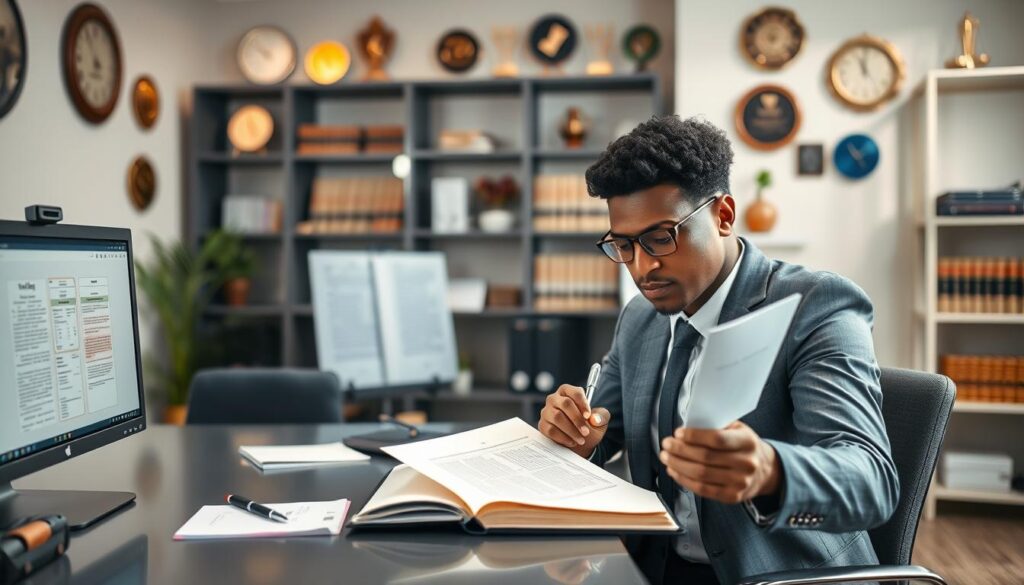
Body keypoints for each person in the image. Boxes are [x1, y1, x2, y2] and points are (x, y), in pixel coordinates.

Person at [538, 115, 899, 585]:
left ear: (723, 215)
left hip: (780, 572)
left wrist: (771, 472)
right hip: (653, 567)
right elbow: (602, 432)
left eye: (661, 237)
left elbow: (872, 480)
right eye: (624, 245)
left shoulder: (814, 305)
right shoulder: (640, 319)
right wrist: (576, 437)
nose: (642, 267)